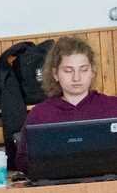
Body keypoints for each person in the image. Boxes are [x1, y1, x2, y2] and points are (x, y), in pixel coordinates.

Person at [15, 36, 117, 175]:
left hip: (107, 184)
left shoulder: (113, 106)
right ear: (55, 74)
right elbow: (22, 161)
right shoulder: (39, 114)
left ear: (92, 72)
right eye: (68, 71)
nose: (76, 78)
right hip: (56, 186)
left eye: (83, 70)